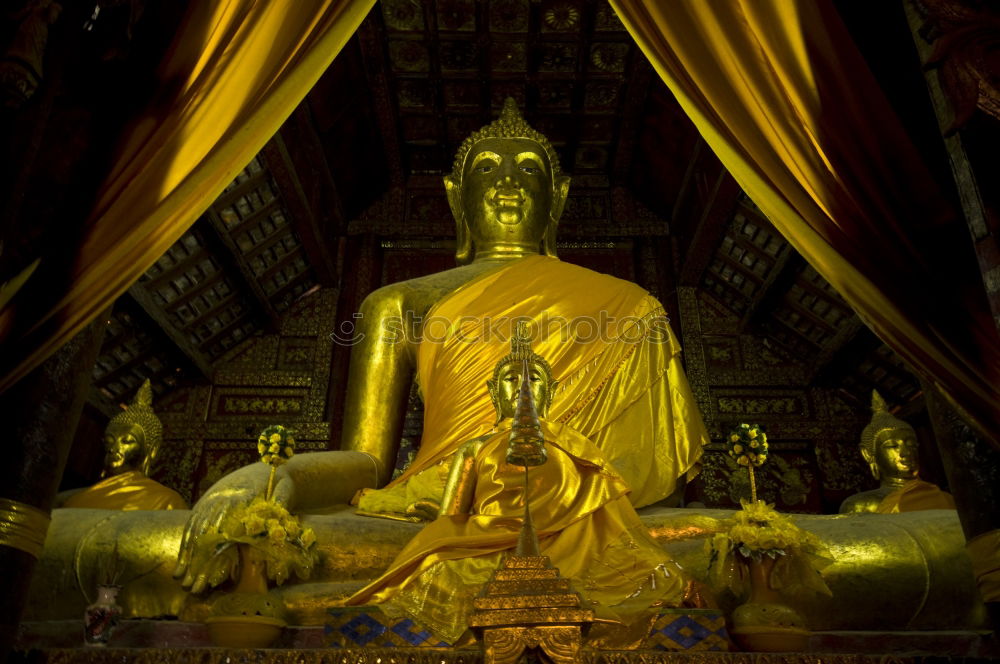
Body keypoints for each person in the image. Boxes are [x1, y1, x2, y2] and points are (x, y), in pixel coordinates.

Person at [173, 98, 710, 593]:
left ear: (559, 197)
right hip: (444, 510)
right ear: (456, 197)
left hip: (597, 516)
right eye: (486, 169)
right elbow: (367, 461)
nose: (508, 182)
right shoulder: (399, 304)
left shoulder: (632, 307)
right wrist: (273, 477)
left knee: (735, 544)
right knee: (195, 538)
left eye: (528, 168)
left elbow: (663, 488)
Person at [342, 324, 698, 646]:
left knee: (652, 575)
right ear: (494, 391)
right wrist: (434, 513)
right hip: (489, 541)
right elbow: (454, 514)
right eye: (512, 378)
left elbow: (608, 514)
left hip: (571, 546)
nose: (524, 385)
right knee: (437, 566)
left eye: (536, 379)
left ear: (551, 392)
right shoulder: (475, 447)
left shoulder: (578, 447)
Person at [60, 379, 187, 511]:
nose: (113, 448)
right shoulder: (72, 499)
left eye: (127, 441)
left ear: (152, 449)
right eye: (109, 441)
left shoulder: (166, 501)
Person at [839, 391, 955, 514]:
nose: (906, 453)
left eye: (911, 445)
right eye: (892, 445)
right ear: (868, 454)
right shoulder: (860, 505)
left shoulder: (947, 499)